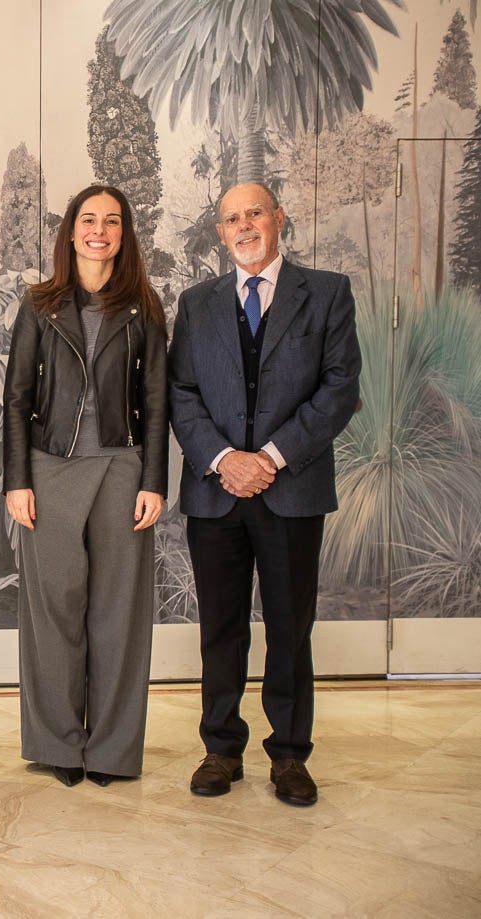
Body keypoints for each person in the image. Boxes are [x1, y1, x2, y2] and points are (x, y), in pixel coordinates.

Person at [168, 183, 361, 806]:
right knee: (221, 629)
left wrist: (270, 459)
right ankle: (221, 749)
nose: (244, 225)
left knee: (289, 626)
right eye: (231, 218)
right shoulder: (196, 304)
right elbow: (182, 395)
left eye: (255, 213)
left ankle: (289, 756)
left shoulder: (327, 293)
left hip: (291, 489)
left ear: (280, 219)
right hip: (216, 493)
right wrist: (226, 460)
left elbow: (339, 389)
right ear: (220, 232)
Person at [2, 185, 168, 788]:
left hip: (123, 471)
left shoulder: (144, 307)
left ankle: (112, 752)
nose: (100, 231)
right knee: (53, 612)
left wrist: (154, 480)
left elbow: (156, 402)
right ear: (70, 232)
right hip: (49, 469)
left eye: (112, 222)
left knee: (119, 614)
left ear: (123, 235)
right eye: (89, 220)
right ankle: (57, 745)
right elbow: (16, 399)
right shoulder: (40, 305)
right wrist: (17, 480)